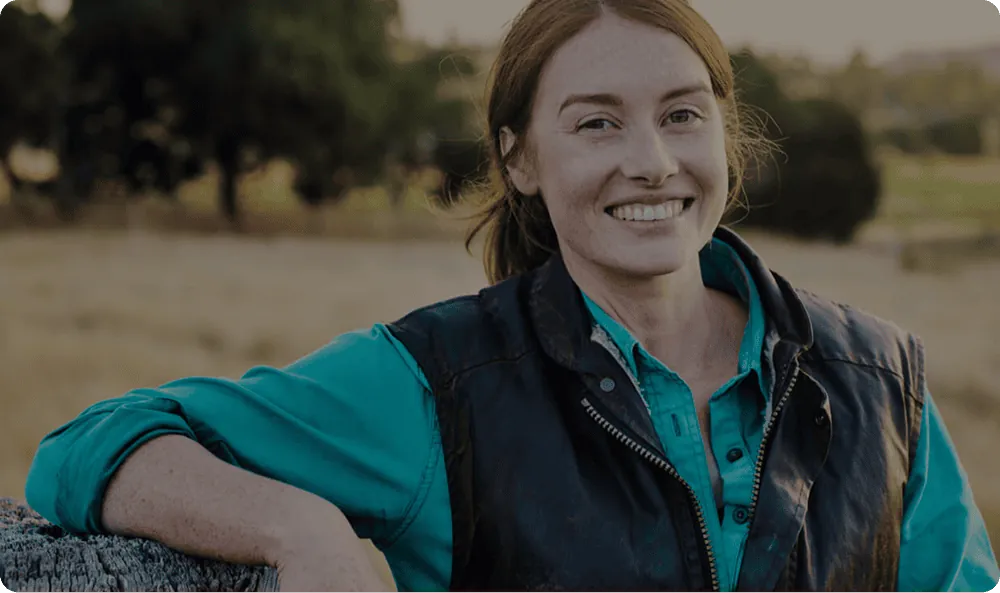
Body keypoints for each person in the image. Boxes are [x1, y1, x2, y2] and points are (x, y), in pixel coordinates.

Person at [23, 0, 1000, 591]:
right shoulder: (435, 386)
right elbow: (86, 449)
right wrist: (296, 524)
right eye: (596, 123)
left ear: (722, 134)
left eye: (679, 115)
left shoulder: (878, 382)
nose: (650, 161)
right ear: (519, 158)